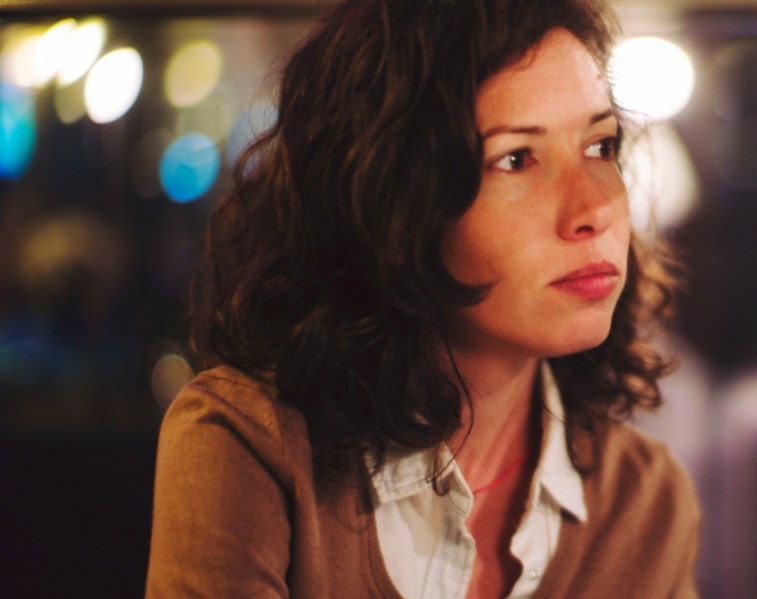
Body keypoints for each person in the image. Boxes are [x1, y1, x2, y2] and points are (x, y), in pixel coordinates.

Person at [144, 0, 701, 597]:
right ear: (391, 198)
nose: (593, 209)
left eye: (601, 146)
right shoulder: (250, 446)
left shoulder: (646, 500)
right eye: (516, 159)